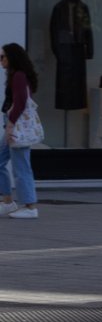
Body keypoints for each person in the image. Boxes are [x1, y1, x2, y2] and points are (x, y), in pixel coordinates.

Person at [0, 43, 40, 219]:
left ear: (12, 58)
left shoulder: (18, 75)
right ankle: (8, 202)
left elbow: (21, 102)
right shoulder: (16, 75)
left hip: (16, 126)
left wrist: (10, 125)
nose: (1, 60)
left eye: (3, 57)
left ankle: (30, 206)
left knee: (21, 166)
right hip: (12, 124)